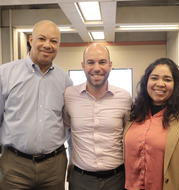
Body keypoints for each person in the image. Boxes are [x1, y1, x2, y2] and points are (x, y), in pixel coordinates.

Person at [0, 20, 72, 190]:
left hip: (53, 166)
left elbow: (68, 123)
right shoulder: (5, 74)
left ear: (58, 45)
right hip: (14, 165)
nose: (48, 45)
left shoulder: (65, 81)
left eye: (54, 41)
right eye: (42, 39)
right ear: (31, 40)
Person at [64, 43, 132, 190]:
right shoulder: (69, 95)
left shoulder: (124, 98)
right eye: (90, 62)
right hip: (80, 179)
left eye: (102, 62)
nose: (96, 68)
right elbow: (66, 131)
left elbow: (129, 136)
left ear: (110, 65)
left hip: (116, 179)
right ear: (83, 65)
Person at [124, 58, 179, 190]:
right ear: (146, 82)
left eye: (167, 79)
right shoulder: (134, 114)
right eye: (154, 78)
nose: (160, 84)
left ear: (176, 85)